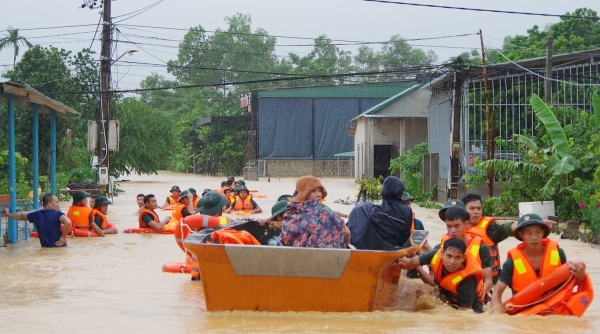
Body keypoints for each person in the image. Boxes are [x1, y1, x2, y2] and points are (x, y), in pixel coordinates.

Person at [491, 213, 586, 312]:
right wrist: (496, 312)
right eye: (529, 233)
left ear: (543, 233)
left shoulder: (558, 253)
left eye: (538, 232)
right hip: (526, 315)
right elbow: (497, 293)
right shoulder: (512, 263)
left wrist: (581, 276)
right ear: (521, 235)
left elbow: (568, 284)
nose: (534, 238)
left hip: (555, 311)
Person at [462, 193, 555, 284]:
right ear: (463, 210)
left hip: (490, 281)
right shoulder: (457, 229)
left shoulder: (490, 229)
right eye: (472, 208)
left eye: (479, 208)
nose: (476, 212)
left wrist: (535, 223)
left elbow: (508, 227)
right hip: (467, 280)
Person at [399, 237, 485, 313]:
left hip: (472, 305)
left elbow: (464, 313)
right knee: (422, 294)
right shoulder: (434, 254)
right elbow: (409, 262)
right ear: (442, 253)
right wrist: (399, 258)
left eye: (457, 257)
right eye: (449, 256)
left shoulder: (467, 279)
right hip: (448, 293)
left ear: (463, 258)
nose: (452, 262)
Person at [281, 175, 350, 248]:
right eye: (313, 191)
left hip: (296, 256)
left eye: (319, 191)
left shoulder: (290, 211)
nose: (319, 195)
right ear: (304, 192)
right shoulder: (323, 210)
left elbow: (285, 239)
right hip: (328, 257)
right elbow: (347, 233)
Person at [347, 176, 413, 250]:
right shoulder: (406, 211)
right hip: (392, 252)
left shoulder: (366, 210)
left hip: (366, 251)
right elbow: (404, 239)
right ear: (400, 194)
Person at [2, 194, 72, 247]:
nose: (58, 205)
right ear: (49, 204)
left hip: (45, 248)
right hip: (60, 247)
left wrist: (8, 214)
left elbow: (21, 216)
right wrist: (63, 237)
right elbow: (68, 222)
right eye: (57, 202)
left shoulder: (36, 215)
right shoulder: (58, 214)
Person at [402, 192, 432, 279]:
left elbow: (424, 245)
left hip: (414, 263)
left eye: (409, 203)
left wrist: (431, 264)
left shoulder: (417, 223)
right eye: (405, 204)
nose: (408, 207)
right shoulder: (392, 222)